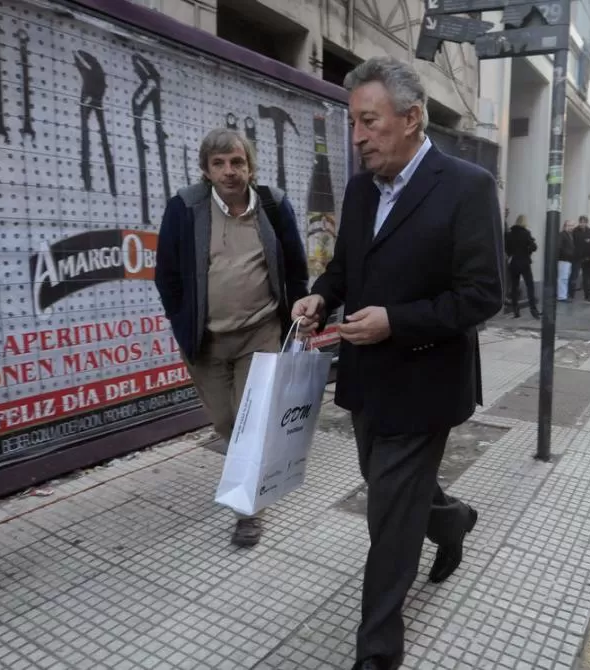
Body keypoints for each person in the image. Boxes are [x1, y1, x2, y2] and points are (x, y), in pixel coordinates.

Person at [291, 56, 503, 670]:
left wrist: (396, 321)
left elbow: (481, 296)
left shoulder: (466, 186)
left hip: (425, 381)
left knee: (387, 517)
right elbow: (345, 267)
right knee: (394, 490)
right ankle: (454, 519)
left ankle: (378, 653)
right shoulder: (361, 189)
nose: (356, 137)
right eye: (352, 122)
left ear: (411, 118)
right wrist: (321, 295)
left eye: (368, 122)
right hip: (365, 379)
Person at [155, 127, 308, 547]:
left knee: (251, 427)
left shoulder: (274, 206)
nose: (229, 171)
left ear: (250, 165)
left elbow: (295, 267)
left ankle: (248, 512)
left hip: (261, 332)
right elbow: (166, 275)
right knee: (226, 423)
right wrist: (182, 320)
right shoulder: (185, 208)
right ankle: (247, 477)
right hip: (207, 342)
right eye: (218, 163)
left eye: (237, 162)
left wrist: (301, 314)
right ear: (206, 170)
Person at [504, 214, 539, 318]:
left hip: (514, 262)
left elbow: (506, 248)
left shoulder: (509, 234)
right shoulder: (526, 233)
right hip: (524, 262)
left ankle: (516, 310)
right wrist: (527, 252)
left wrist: (511, 254)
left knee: (514, 286)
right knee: (530, 285)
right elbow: (534, 247)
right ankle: (533, 309)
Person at [571, 215, 590, 300]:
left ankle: (587, 294)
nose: (582, 224)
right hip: (576, 257)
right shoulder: (575, 231)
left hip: (586, 257)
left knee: (586, 277)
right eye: (581, 222)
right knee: (574, 275)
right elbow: (572, 243)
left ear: (586, 223)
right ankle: (571, 294)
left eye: (584, 222)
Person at [557, 220, 576, 302]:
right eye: (569, 225)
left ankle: (564, 295)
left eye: (572, 226)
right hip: (563, 259)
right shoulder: (562, 235)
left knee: (565, 278)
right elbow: (559, 247)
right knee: (563, 278)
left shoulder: (570, 235)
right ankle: (561, 296)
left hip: (568, 260)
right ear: (565, 226)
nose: (571, 227)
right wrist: (568, 254)